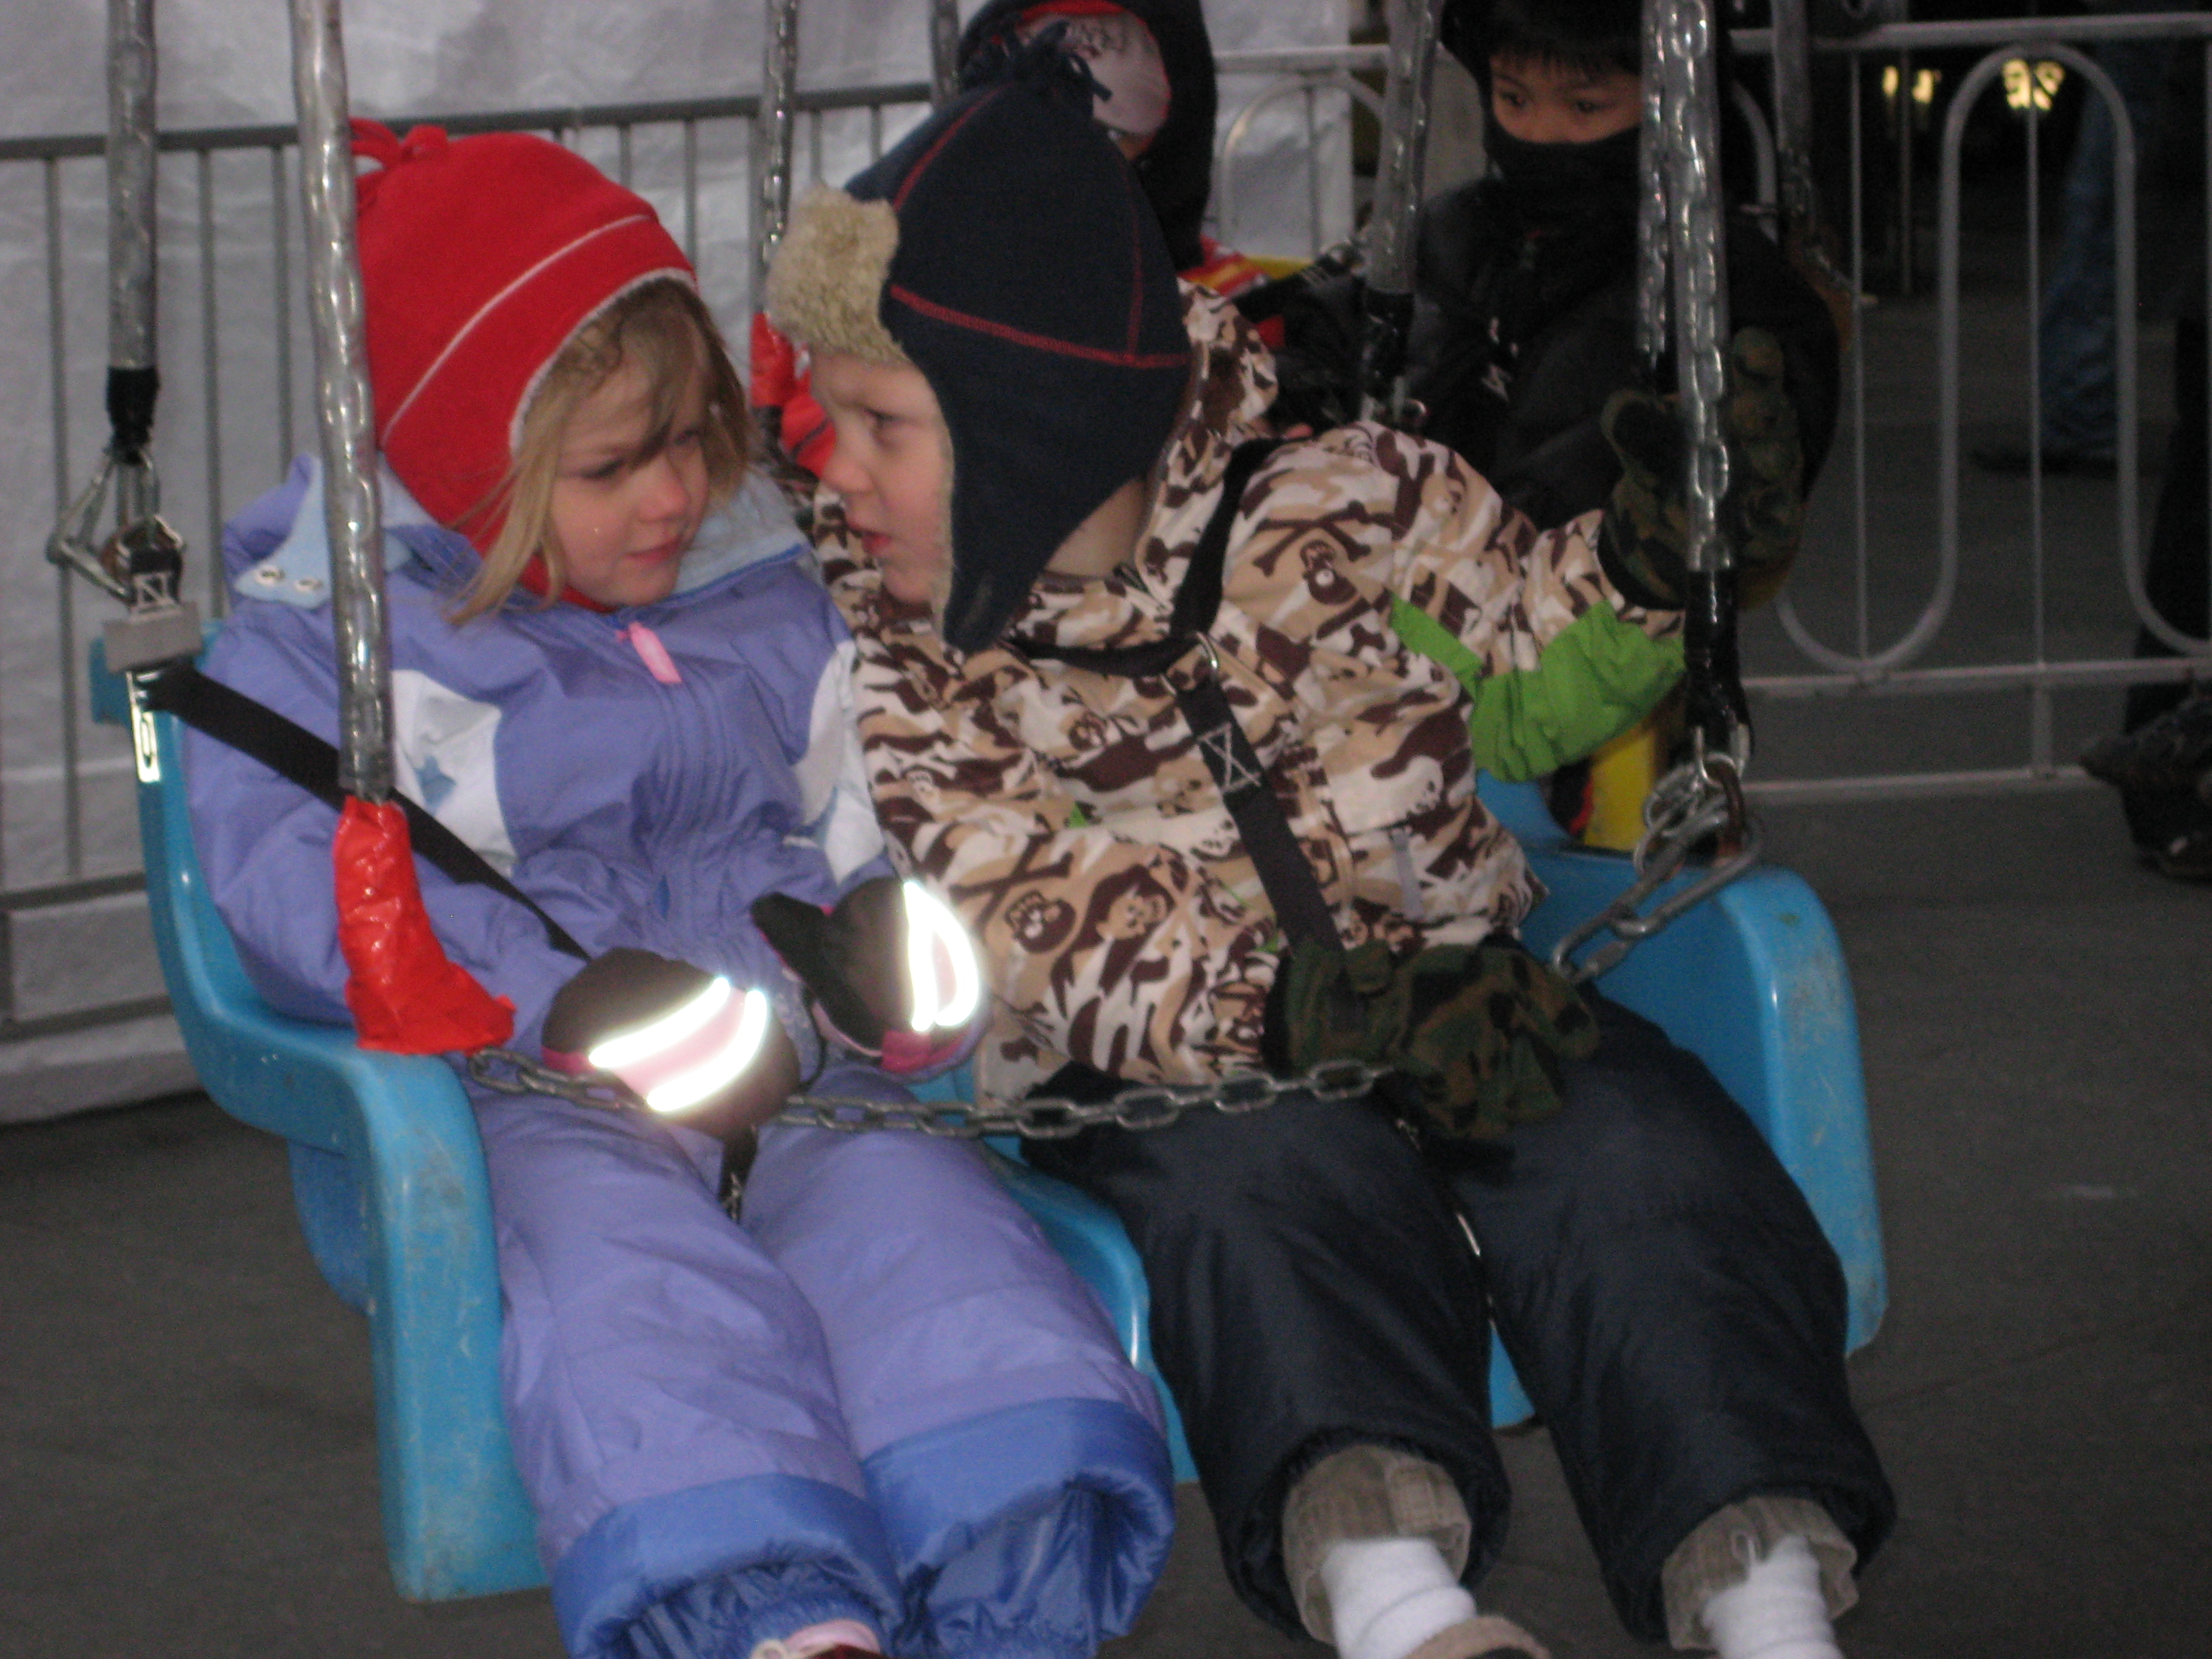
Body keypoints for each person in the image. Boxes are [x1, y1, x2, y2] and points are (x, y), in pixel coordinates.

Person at [767, 42, 1893, 1659]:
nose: (834, 469)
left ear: (1035, 415)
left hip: (1463, 987)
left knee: (1643, 1158)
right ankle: (1401, 1608)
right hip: (1167, 1070)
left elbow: (1531, 671)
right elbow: (1033, 915)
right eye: (831, 421)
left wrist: (1656, 565)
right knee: (1275, 1190)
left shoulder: (1350, 502)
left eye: (880, 422)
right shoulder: (927, 660)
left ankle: (1766, 1601)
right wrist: (1309, 1012)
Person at [184, 122, 1173, 1659]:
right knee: (633, 1296)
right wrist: (553, 995)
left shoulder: (766, 584)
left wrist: (895, 949)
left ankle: (1004, 1585)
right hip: (533, 1087)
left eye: (691, 442)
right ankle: (778, 1619)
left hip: (801, 1057)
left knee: (936, 1239)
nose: (675, 495)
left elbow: (884, 800)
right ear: (469, 463)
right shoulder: (335, 652)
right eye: (609, 468)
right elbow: (296, 885)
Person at [1278, 0, 1838, 837]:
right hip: (1401, 641)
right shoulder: (1446, 238)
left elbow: (1766, 476)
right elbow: (1344, 348)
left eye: (1584, 107)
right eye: (1514, 99)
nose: (1541, 134)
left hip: (1598, 659)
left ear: (1665, 100)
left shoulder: (1723, 286)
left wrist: (1696, 494)